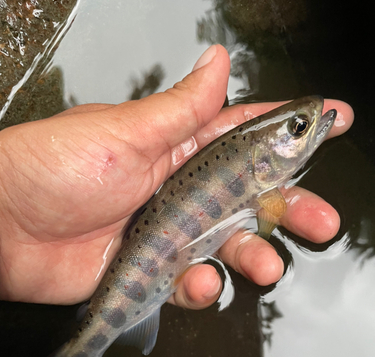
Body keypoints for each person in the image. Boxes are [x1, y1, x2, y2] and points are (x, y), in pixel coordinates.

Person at [0, 45, 353, 309]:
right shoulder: (265, 188)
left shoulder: (262, 178)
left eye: (298, 126)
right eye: (299, 127)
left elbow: (268, 212)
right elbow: (267, 216)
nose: (306, 127)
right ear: (262, 160)